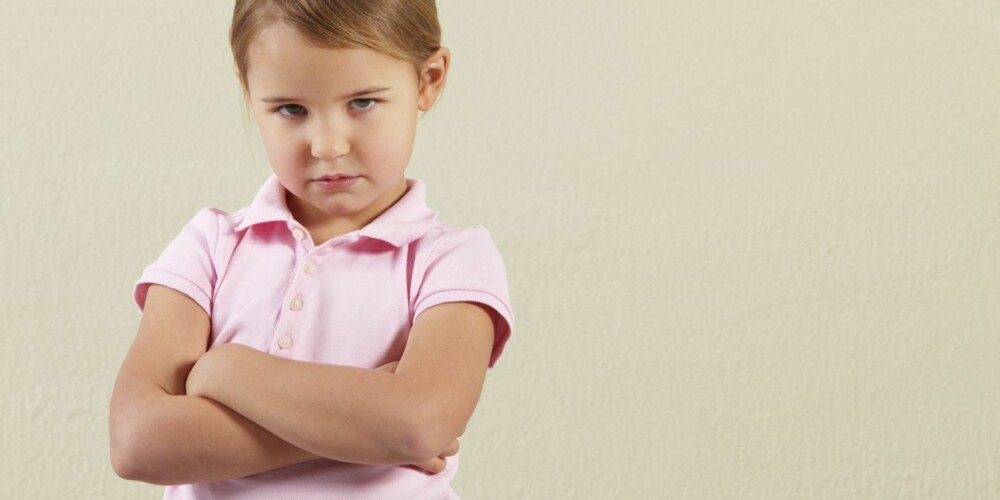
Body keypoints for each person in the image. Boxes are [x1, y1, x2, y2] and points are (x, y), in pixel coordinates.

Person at [109, 1, 513, 498]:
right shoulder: (209, 247)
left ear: (428, 80)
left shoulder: (451, 259)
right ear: (248, 90)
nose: (327, 144)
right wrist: (368, 428)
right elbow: (136, 444)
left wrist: (227, 370)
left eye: (362, 102)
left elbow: (419, 423)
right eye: (291, 109)